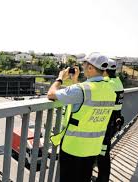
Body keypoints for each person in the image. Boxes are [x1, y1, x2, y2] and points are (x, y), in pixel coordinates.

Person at [48, 53, 116, 182]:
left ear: (90, 68)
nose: (83, 67)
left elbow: (51, 94)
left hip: (73, 148)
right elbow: (86, 103)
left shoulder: (81, 90)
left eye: (84, 65)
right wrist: (75, 80)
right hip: (92, 148)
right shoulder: (110, 90)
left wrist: (60, 78)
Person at [96, 59, 124, 182]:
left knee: (103, 153)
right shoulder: (118, 82)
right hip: (114, 120)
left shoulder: (108, 83)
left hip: (107, 122)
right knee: (104, 151)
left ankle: (102, 179)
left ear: (105, 70)